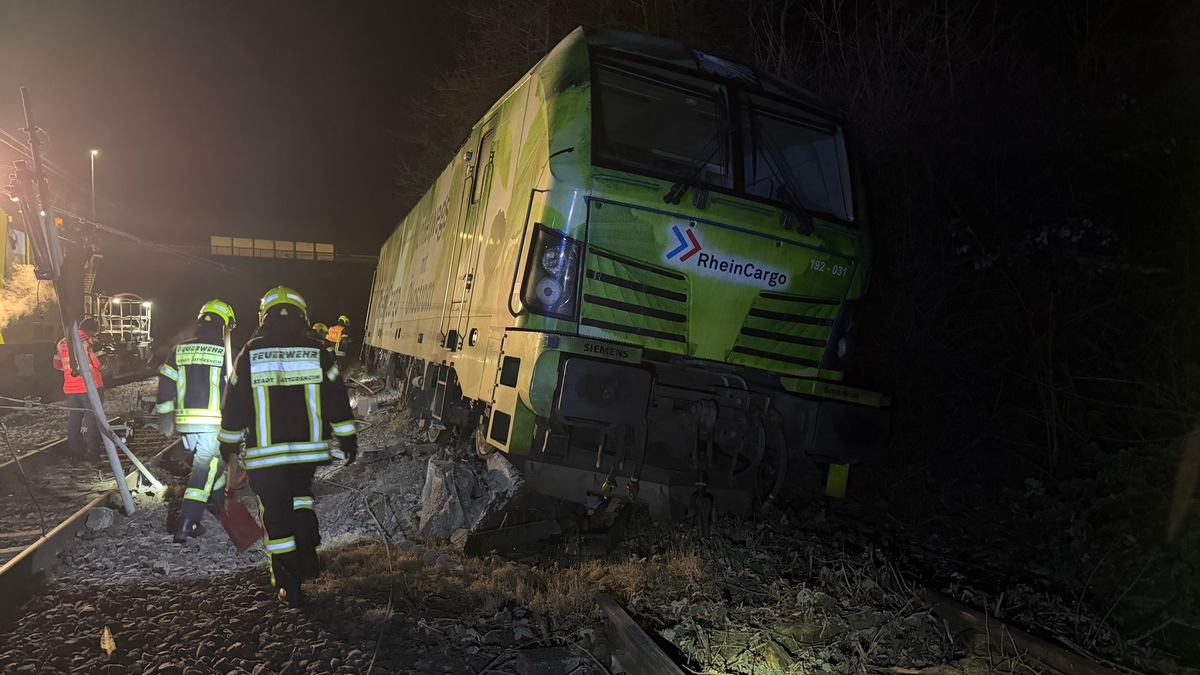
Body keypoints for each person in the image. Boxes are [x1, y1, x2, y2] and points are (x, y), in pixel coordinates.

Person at [218, 286, 358, 607]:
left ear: (263, 317)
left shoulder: (251, 353)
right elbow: (337, 396)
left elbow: (235, 404)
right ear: (303, 316)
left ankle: (288, 583)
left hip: (267, 457)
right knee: (300, 499)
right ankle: (308, 551)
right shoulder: (317, 351)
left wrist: (227, 444)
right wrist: (347, 437)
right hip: (307, 454)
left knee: (276, 517)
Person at [155, 299, 237, 543]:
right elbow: (235, 391)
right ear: (224, 326)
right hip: (214, 424)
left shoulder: (179, 349)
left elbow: (166, 385)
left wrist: (165, 417)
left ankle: (217, 501)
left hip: (187, 424)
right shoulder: (227, 353)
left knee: (215, 465)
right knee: (204, 470)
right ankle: (188, 523)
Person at [53, 317, 105, 460]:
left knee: (74, 419)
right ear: (91, 331)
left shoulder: (62, 343)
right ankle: (93, 453)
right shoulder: (91, 342)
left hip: (70, 389)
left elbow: (57, 365)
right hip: (90, 387)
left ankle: (76, 452)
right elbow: (100, 363)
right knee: (93, 420)